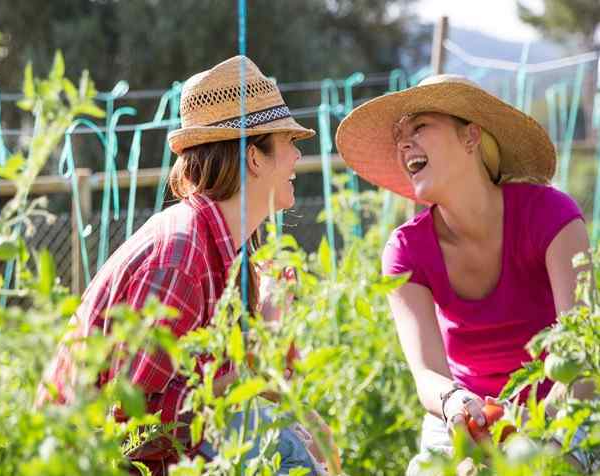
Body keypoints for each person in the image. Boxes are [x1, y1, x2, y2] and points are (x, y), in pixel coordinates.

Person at [36, 55, 325, 475]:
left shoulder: (233, 253)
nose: (298, 155)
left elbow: (241, 390)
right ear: (254, 157)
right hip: (85, 463)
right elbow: (130, 423)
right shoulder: (182, 257)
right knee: (273, 443)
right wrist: (243, 390)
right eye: (288, 142)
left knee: (284, 440)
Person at [335, 74, 595, 474]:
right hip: (464, 415)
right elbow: (427, 374)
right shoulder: (406, 250)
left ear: (471, 137)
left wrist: (532, 433)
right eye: (400, 136)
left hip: (559, 407)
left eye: (420, 126)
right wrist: (454, 403)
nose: (404, 143)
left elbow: (582, 356)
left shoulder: (550, 217)